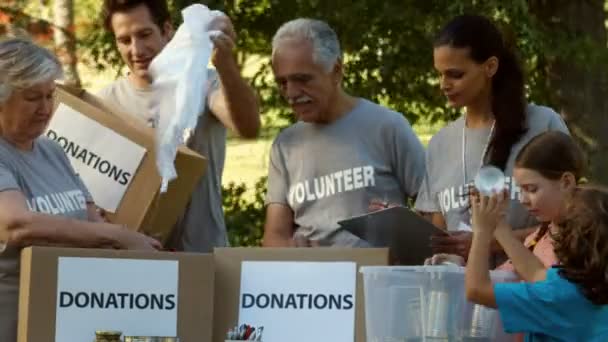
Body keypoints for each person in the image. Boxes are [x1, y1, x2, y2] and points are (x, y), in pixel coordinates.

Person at [0, 37, 160, 342]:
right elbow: (16, 224)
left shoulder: (52, 151)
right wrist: (118, 237)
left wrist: (135, 245)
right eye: (33, 97)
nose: (45, 109)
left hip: (67, 316)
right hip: (12, 322)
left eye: (51, 95)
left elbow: (90, 219)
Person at [98, 0, 260, 252]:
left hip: (203, 255)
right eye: (124, 40)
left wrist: (224, 63)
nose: (136, 49)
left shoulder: (204, 84)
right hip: (134, 262)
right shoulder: (107, 103)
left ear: (167, 30)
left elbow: (248, 128)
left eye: (144, 34)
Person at [414, 14, 569, 263]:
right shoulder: (440, 143)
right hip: (460, 293)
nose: (444, 84)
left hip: (527, 292)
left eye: (455, 74)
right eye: (440, 74)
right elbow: (439, 234)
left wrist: (492, 242)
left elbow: (573, 219)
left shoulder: (542, 124)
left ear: (490, 67)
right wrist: (398, 223)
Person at [262, 19, 426, 247]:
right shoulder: (285, 145)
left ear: (336, 71)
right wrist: (292, 253)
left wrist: (402, 227)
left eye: (302, 79)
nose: (291, 93)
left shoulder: (387, 127)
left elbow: (434, 212)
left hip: (377, 278)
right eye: (282, 82)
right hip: (311, 280)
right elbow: (274, 236)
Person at [426, 131, 585, 277]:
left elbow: (543, 283)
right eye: (520, 190)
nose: (523, 200)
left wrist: (498, 227)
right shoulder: (539, 237)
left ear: (566, 182)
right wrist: (459, 267)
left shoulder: (587, 236)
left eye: (532, 189)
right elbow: (502, 277)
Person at [465, 185, 608, 341]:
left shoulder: (557, 295)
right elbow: (535, 272)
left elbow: (477, 290)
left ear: (571, 241)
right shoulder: (589, 286)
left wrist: (481, 232)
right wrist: (497, 222)